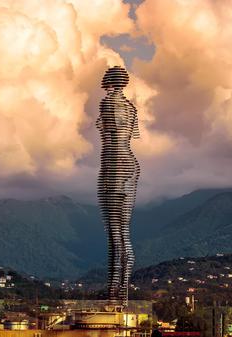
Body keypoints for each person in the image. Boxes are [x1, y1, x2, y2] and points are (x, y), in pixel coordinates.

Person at [97, 65, 140, 307]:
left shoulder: (107, 103)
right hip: (129, 166)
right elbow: (133, 135)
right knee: (122, 234)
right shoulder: (132, 108)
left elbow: (110, 135)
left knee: (116, 235)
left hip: (113, 168)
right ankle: (119, 290)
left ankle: (115, 291)